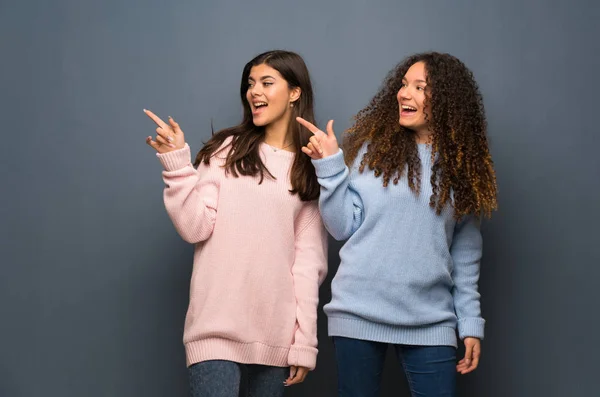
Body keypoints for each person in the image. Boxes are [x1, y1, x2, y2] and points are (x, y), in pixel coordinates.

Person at [297, 51, 498, 397]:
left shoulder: (462, 170)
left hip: (430, 322)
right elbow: (342, 227)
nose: (404, 94)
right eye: (404, 84)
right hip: (357, 312)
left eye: (420, 87)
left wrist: (470, 323)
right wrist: (329, 167)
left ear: (448, 100)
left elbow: (465, 257)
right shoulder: (372, 151)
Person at [144, 50, 328, 397]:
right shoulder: (226, 151)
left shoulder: (308, 171)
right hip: (215, 330)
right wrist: (177, 165)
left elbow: (307, 265)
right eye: (250, 84)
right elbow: (195, 227)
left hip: (276, 337)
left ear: (295, 92)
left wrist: (304, 343)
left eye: (266, 82)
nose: (253, 92)